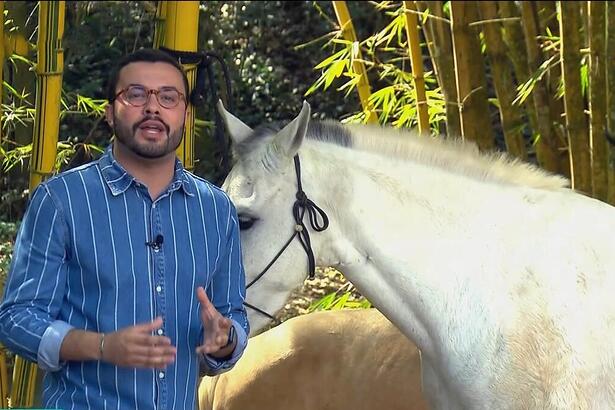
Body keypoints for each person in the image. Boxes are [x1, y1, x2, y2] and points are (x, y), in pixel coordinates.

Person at [0, 48, 249, 409]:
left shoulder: (216, 209)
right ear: (109, 113)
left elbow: (233, 315)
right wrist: (100, 346)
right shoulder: (62, 200)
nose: (153, 107)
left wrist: (225, 339)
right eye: (135, 94)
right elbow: (16, 318)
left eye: (168, 97)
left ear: (185, 115)